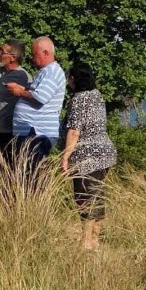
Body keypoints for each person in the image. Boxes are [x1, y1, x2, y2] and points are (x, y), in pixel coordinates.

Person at [60, 62, 117, 250]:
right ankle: (95, 240)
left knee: (84, 198)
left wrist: (66, 157)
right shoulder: (98, 96)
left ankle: (86, 242)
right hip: (105, 152)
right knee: (98, 196)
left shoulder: (78, 99)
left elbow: (74, 131)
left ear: (74, 79)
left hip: (87, 155)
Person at [4, 36, 66, 170]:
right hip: (31, 132)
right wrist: (22, 89)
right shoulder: (45, 72)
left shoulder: (52, 72)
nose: (32, 58)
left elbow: (41, 97)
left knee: (31, 174)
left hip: (37, 132)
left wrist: (19, 92)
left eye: (34, 54)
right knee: (26, 172)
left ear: (45, 53)